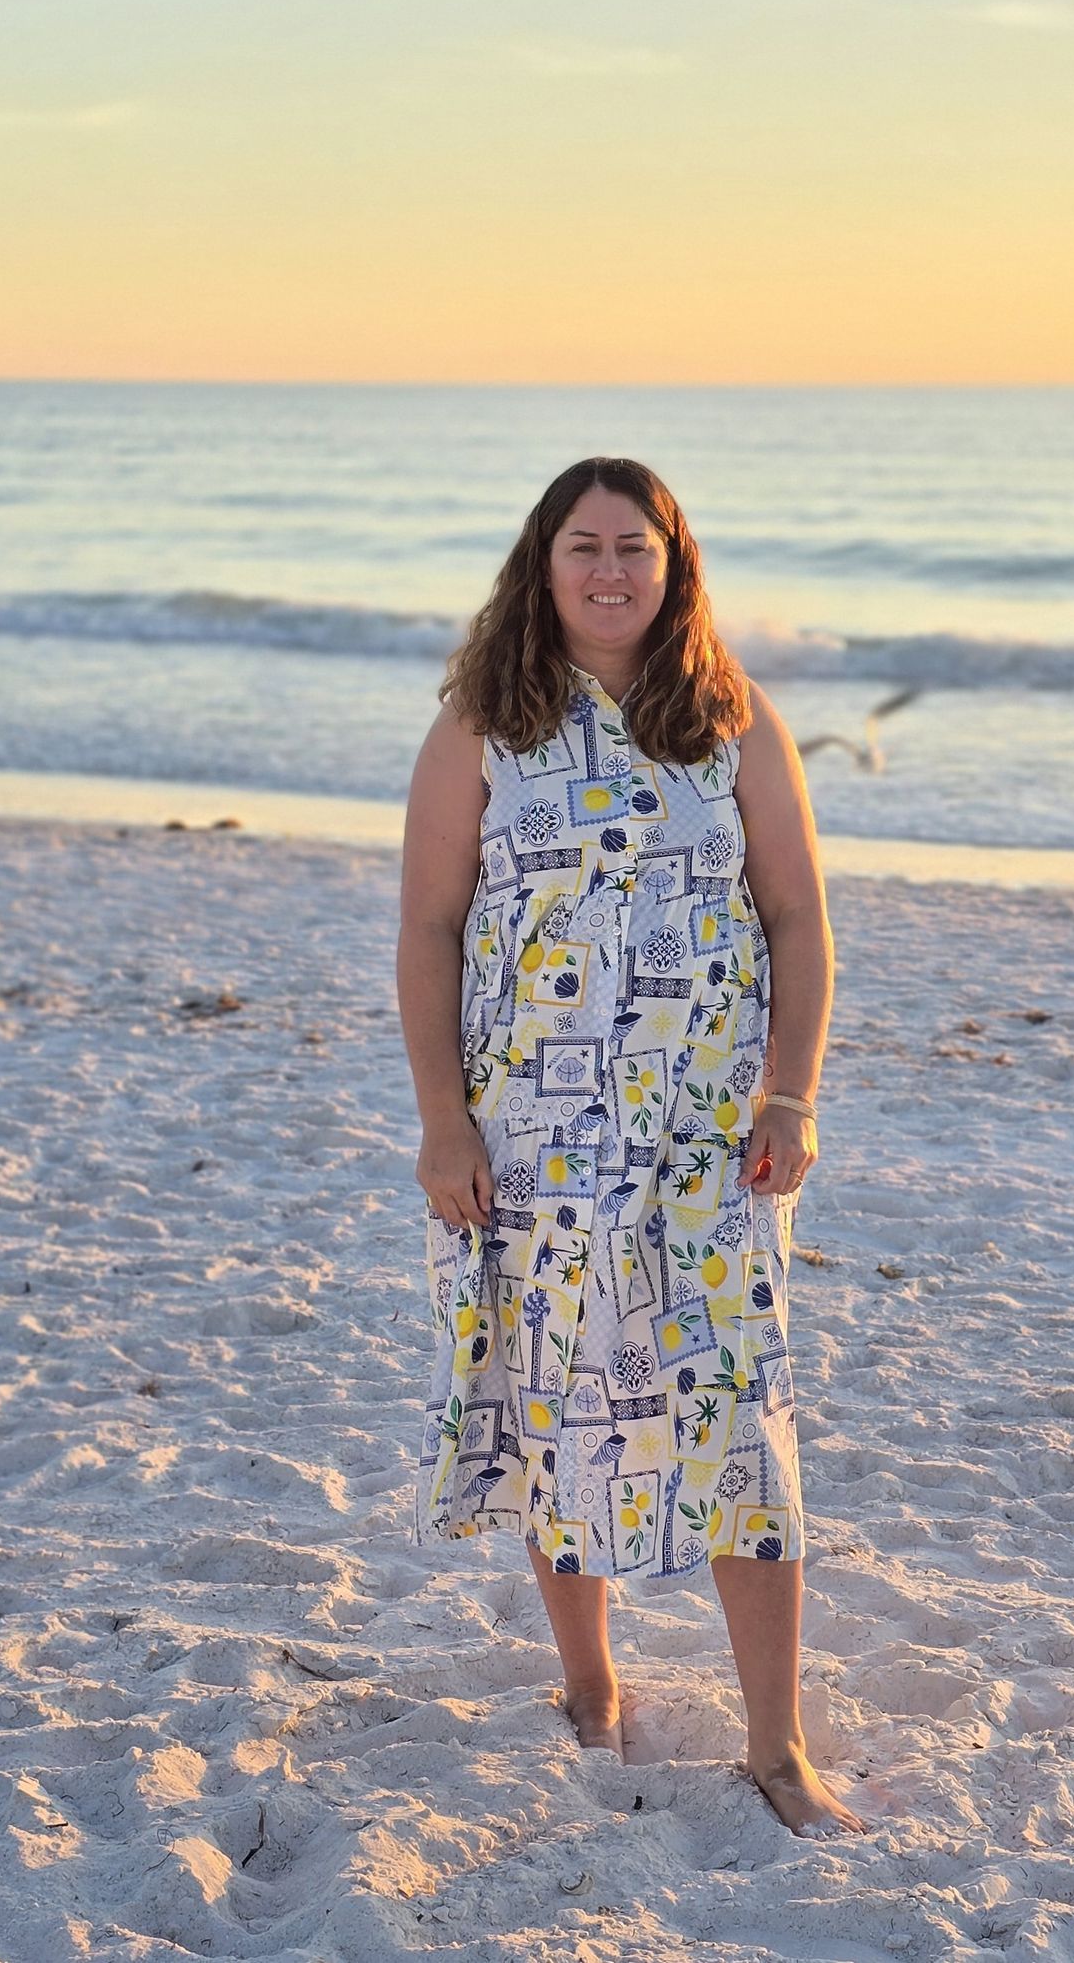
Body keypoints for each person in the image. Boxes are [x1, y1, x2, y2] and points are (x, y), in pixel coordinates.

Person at [397, 455, 865, 1838]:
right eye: (585, 547)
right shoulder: (483, 724)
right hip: (532, 1138)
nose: (611, 572)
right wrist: (442, 1119)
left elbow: (799, 924)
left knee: (741, 1425)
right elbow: (429, 931)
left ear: (676, 567)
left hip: (714, 1142)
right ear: (543, 566)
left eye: (636, 550)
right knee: (555, 1406)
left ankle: (777, 1746)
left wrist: (792, 1093)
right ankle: (591, 1684)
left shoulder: (733, 721)